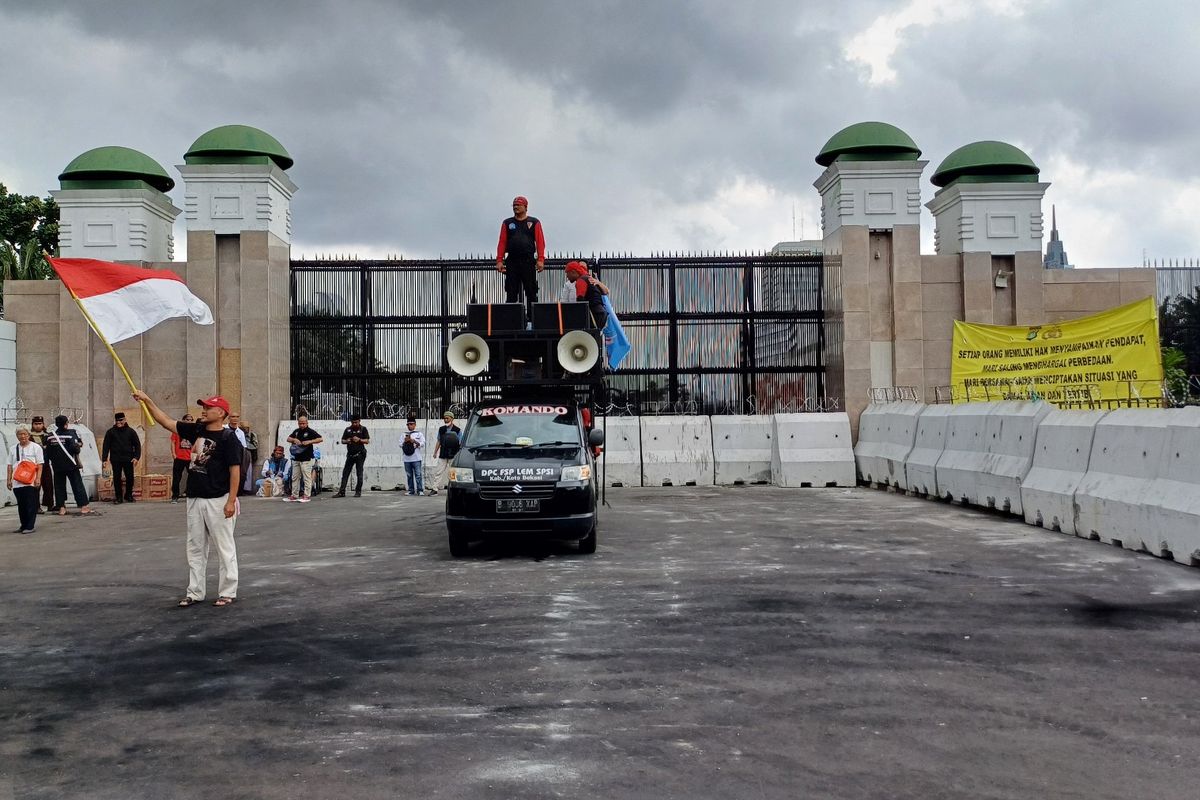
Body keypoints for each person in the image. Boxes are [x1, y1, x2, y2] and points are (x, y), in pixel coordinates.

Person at [133, 390, 244, 608]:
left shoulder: (228, 438)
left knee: (224, 547)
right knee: (195, 547)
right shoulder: (197, 430)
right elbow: (165, 421)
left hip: (218, 498)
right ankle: (195, 592)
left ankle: (228, 591)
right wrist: (148, 400)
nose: (203, 410)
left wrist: (231, 500)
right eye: (203, 407)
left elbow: (235, 471)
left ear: (221, 412)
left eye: (208, 407)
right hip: (194, 497)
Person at [496, 195, 546, 322]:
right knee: (511, 291)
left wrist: (540, 259)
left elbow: (540, 242)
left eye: (518, 205)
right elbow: (502, 242)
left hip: (528, 261)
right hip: (512, 261)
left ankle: (533, 319)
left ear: (525, 207)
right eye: (514, 205)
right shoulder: (507, 223)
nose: (515, 207)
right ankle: (512, 320)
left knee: (531, 290)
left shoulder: (534, 222)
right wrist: (499, 260)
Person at [45, 415, 94, 516]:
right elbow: (75, 448)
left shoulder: (50, 436)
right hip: (71, 464)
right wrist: (78, 446)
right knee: (77, 485)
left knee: (59, 486)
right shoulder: (71, 434)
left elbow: (48, 452)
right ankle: (84, 506)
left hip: (57, 465)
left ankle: (61, 508)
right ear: (66, 423)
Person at [8, 426, 44, 534]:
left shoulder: (36, 447)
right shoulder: (13, 449)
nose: (22, 436)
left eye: (24, 434)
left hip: (30, 481)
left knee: (30, 504)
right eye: (20, 434)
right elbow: (9, 465)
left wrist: (38, 478)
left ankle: (30, 526)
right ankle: (23, 525)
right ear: (17, 436)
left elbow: (40, 464)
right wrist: (9, 479)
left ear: (28, 435)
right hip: (17, 481)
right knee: (21, 505)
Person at [102, 411, 142, 504]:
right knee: (117, 478)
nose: (119, 422)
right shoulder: (110, 432)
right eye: (117, 421)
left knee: (130, 477)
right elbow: (106, 446)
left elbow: (137, 445)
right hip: (116, 459)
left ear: (124, 420)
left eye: (121, 420)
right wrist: (104, 459)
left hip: (129, 458)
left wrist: (136, 457)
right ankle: (118, 497)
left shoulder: (131, 431)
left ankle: (128, 495)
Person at [285, 415, 323, 503]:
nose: (301, 425)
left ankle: (307, 495)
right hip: (297, 457)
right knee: (295, 477)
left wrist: (310, 441)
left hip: (307, 458)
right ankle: (294, 495)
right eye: (300, 423)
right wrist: (294, 440)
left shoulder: (310, 431)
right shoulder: (296, 431)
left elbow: (320, 439)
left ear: (307, 423)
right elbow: (288, 438)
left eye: (303, 423)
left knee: (306, 477)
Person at [565, 260, 611, 331]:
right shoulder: (589, 279)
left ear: (573, 272)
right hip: (600, 313)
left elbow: (581, 302)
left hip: (594, 315)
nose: (567, 276)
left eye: (567, 273)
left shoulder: (581, 281)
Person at [334, 414, 370, 498]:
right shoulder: (348, 430)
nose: (354, 424)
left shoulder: (363, 429)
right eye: (353, 422)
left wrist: (359, 440)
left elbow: (367, 441)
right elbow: (342, 440)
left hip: (360, 454)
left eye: (356, 422)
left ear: (359, 421)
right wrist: (347, 441)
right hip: (350, 454)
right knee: (345, 473)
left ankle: (358, 491)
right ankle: (342, 491)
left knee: (359, 473)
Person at [429, 411, 462, 496]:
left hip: (453, 455)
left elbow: (460, 443)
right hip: (443, 454)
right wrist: (435, 452)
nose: (445, 420)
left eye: (447, 418)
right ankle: (434, 489)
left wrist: (459, 455)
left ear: (452, 419)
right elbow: (439, 441)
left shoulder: (457, 430)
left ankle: (453, 489)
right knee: (438, 472)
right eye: (444, 418)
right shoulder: (441, 429)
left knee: (452, 473)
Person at [29, 416, 55, 512]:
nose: (38, 426)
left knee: (48, 485)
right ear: (32, 425)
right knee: (36, 487)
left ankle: (50, 505)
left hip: (45, 464)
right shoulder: (29, 436)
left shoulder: (48, 435)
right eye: (36, 424)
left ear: (43, 424)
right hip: (34, 466)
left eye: (40, 424)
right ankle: (36, 507)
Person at [170, 413, 195, 503]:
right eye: (187, 419)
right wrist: (173, 453)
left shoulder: (194, 430)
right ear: (183, 420)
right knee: (177, 478)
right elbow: (173, 442)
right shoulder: (177, 430)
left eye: (191, 420)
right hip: (179, 457)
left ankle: (190, 493)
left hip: (190, 458)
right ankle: (175, 496)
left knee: (193, 477)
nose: (189, 421)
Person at [401, 417, 426, 496]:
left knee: (418, 475)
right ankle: (411, 490)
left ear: (415, 425)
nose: (409, 426)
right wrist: (405, 441)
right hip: (407, 458)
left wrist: (414, 441)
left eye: (411, 424)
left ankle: (420, 490)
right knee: (409, 475)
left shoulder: (419, 434)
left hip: (416, 458)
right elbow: (400, 444)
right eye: (408, 424)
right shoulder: (403, 434)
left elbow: (423, 443)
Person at [240, 421, 259, 495]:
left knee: (248, 472)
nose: (245, 429)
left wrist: (245, 444)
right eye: (243, 428)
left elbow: (255, 445)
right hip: (240, 454)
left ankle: (246, 490)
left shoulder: (252, 435)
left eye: (246, 428)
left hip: (248, 454)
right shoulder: (239, 434)